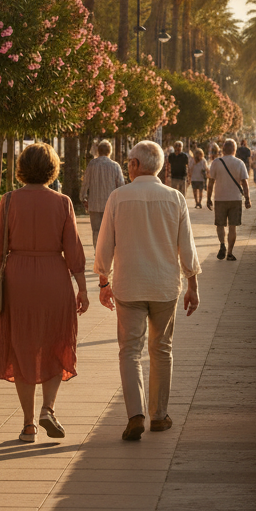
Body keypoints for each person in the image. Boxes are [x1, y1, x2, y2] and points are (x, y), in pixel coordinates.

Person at [95, 141, 200, 440]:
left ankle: (135, 415)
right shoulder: (175, 198)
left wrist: (104, 280)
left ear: (135, 165)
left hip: (128, 285)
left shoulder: (118, 197)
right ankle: (159, 415)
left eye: (129, 161)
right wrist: (192, 285)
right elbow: (187, 248)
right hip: (165, 286)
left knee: (129, 351)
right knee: (161, 349)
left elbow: (105, 246)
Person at [0, 142, 89, 443]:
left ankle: (29, 424)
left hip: (18, 279)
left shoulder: (8, 201)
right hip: (53, 279)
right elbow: (73, 250)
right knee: (56, 342)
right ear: (52, 169)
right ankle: (48, 408)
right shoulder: (62, 202)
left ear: (22, 167)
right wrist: (82, 288)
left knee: (22, 347)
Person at [206, 139, 251, 261]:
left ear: (223, 150)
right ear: (235, 150)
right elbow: (245, 184)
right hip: (235, 199)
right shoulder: (240, 163)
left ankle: (222, 244)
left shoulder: (216, 162)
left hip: (220, 198)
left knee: (220, 225)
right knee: (232, 227)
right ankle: (230, 252)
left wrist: (208, 198)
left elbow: (210, 182)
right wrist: (247, 198)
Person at [80, 139, 126, 242]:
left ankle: (98, 253)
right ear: (110, 151)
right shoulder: (115, 166)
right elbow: (121, 185)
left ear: (98, 151)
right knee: (110, 230)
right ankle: (108, 254)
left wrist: (83, 198)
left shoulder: (92, 164)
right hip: (110, 204)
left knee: (96, 231)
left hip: (94, 204)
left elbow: (85, 183)